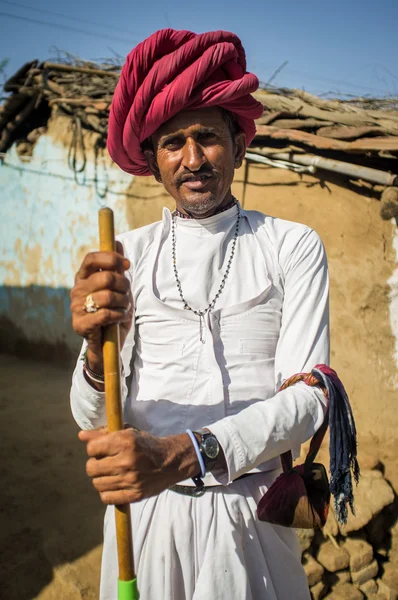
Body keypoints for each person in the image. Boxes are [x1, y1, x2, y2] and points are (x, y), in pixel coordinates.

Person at [70, 29, 329, 600]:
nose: (192, 160)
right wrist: (93, 349)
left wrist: (183, 453)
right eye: (172, 143)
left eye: (208, 138)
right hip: (144, 526)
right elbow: (89, 415)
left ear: (238, 146)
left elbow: (310, 399)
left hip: (249, 521)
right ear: (152, 160)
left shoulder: (291, 245)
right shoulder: (126, 256)